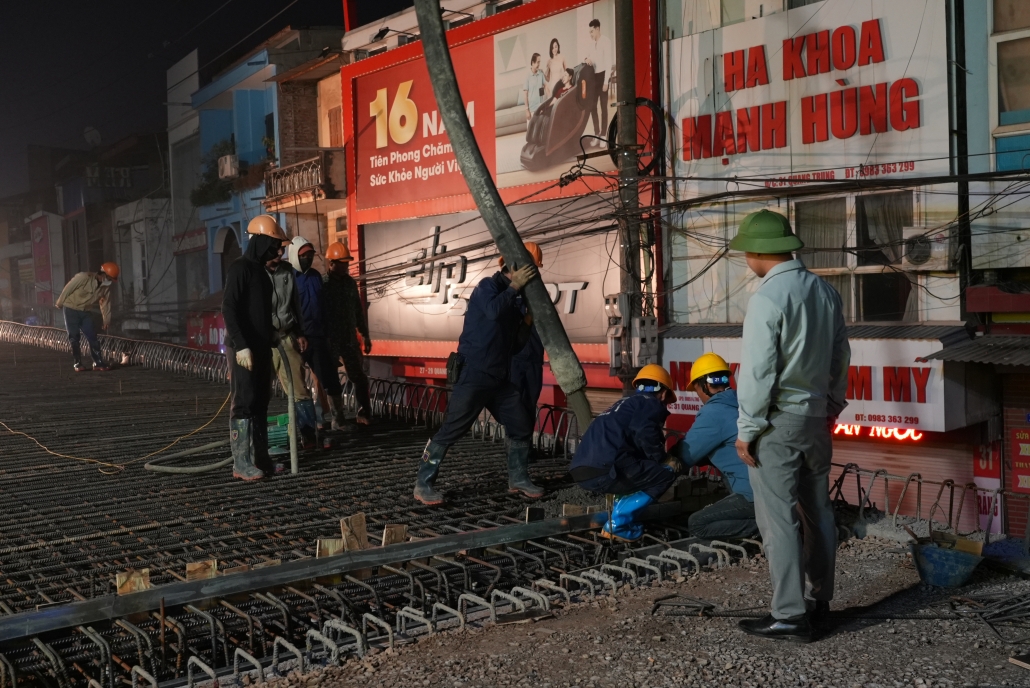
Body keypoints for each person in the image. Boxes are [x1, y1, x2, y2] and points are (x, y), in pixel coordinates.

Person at [731, 209, 850, 643]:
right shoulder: (824, 291)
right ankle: (820, 601)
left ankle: (788, 616)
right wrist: (832, 404)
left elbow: (759, 371)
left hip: (777, 423)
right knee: (818, 511)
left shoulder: (767, 297)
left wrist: (748, 430)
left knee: (779, 520)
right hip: (816, 419)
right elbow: (841, 355)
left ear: (758, 252)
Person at [413, 253, 541, 506]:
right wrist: (515, 286)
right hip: (474, 374)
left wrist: (527, 321)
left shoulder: (515, 302)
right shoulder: (487, 287)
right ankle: (423, 483)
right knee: (452, 429)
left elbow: (515, 345)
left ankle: (518, 478)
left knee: (521, 424)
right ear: (513, 268)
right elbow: (493, 312)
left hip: (499, 378)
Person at [569, 365, 679, 541]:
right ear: (664, 394)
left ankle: (616, 518)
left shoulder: (622, 404)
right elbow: (645, 430)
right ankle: (617, 525)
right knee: (664, 474)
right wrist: (663, 458)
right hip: (607, 471)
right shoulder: (651, 403)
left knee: (634, 469)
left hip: (581, 471)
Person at [223, 215, 287, 481]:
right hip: (243, 350)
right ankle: (241, 462)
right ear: (260, 241)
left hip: (261, 347)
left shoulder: (262, 272)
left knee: (261, 402)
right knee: (245, 404)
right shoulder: (240, 268)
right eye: (274, 245)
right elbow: (230, 309)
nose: (278, 251)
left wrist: (271, 335)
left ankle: (261, 458)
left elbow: (259, 312)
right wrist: (241, 346)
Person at [668, 353, 757, 540]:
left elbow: (685, 455)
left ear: (705, 386)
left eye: (696, 389)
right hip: (771, 486)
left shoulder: (713, 412)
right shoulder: (742, 404)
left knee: (698, 523)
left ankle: (766, 527)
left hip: (754, 494)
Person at [289, 236, 349, 431]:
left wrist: (328, 335)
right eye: (304, 255)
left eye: (310, 255)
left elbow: (323, 307)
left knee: (329, 377)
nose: (308, 258)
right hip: (297, 337)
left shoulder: (315, 276)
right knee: (298, 383)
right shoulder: (288, 277)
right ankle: (307, 424)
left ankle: (337, 419)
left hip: (317, 336)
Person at [323, 241, 373, 425]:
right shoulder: (323, 285)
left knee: (358, 376)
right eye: (341, 263)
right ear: (331, 263)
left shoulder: (350, 284)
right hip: (331, 340)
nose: (345, 266)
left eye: (346, 263)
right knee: (331, 379)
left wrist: (365, 335)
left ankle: (364, 412)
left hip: (349, 339)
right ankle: (337, 417)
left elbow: (358, 311)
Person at [268, 240, 312, 455]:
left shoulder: (287, 271)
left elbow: (295, 304)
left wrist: (300, 332)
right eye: (275, 248)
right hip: (263, 342)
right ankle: (257, 442)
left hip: (286, 336)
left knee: (300, 391)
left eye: (282, 248)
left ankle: (307, 436)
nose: (280, 252)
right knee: (256, 393)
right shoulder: (252, 272)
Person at [55, 262, 119, 372]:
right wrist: (60, 302)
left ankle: (98, 362)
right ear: (102, 273)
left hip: (85, 311)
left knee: (92, 336)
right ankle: (77, 363)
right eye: (108, 277)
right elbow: (68, 288)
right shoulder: (84, 277)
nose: (109, 280)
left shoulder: (105, 287)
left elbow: (105, 303)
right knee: (74, 337)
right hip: (71, 309)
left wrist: (106, 320)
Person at [508, 242, 545, 432]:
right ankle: (515, 446)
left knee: (529, 404)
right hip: (515, 360)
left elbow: (548, 329)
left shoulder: (540, 296)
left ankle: (524, 447)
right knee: (514, 405)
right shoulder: (509, 293)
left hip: (533, 360)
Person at [582, 18, 613, 145]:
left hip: (603, 76)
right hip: (593, 79)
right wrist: (587, 59)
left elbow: (608, 62)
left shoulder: (606, 41)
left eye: (591, 32)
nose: (590, 34)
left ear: (597, 29)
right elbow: (586, 57)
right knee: (593, 107)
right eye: (589, 32)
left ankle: (604, 135)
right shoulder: (591, 44)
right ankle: (597, 134)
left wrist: (606, 81)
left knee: (603, 107)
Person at [543, 38, 568, 103]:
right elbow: (548, 79)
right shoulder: (549, 61)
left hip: (561, 84)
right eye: (553, 47)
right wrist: (543, 72)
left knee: (562, 104)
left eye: (556, 47)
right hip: (553, 87)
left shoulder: (562, 57)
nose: (554, 49)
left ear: (558, 47)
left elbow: (567, 72)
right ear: (551, 49)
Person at [523, 53, 546, 120]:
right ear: (533, 63)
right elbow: (525, 94)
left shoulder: (541, 74)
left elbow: (546, 87)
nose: (539, 64)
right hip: (532, 109)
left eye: (540, 62)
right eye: (538, 62)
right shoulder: (527, 76)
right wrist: (527, 110)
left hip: (541, 108)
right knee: (531, 130)